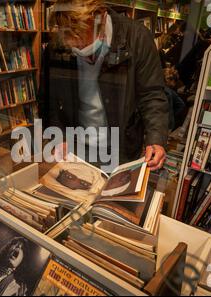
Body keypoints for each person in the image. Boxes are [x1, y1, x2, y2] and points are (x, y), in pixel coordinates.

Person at [43, 0, 168, 171]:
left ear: (101, 17)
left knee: (114, 196)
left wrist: (155, 139)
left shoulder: (137, 38)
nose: (80, 49)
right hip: (75, 148)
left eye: (84, 40)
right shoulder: (56, 47)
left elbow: (152, 95)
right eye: (74, 46)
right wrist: (59, 135)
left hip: (121, 147)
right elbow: (51, 100)